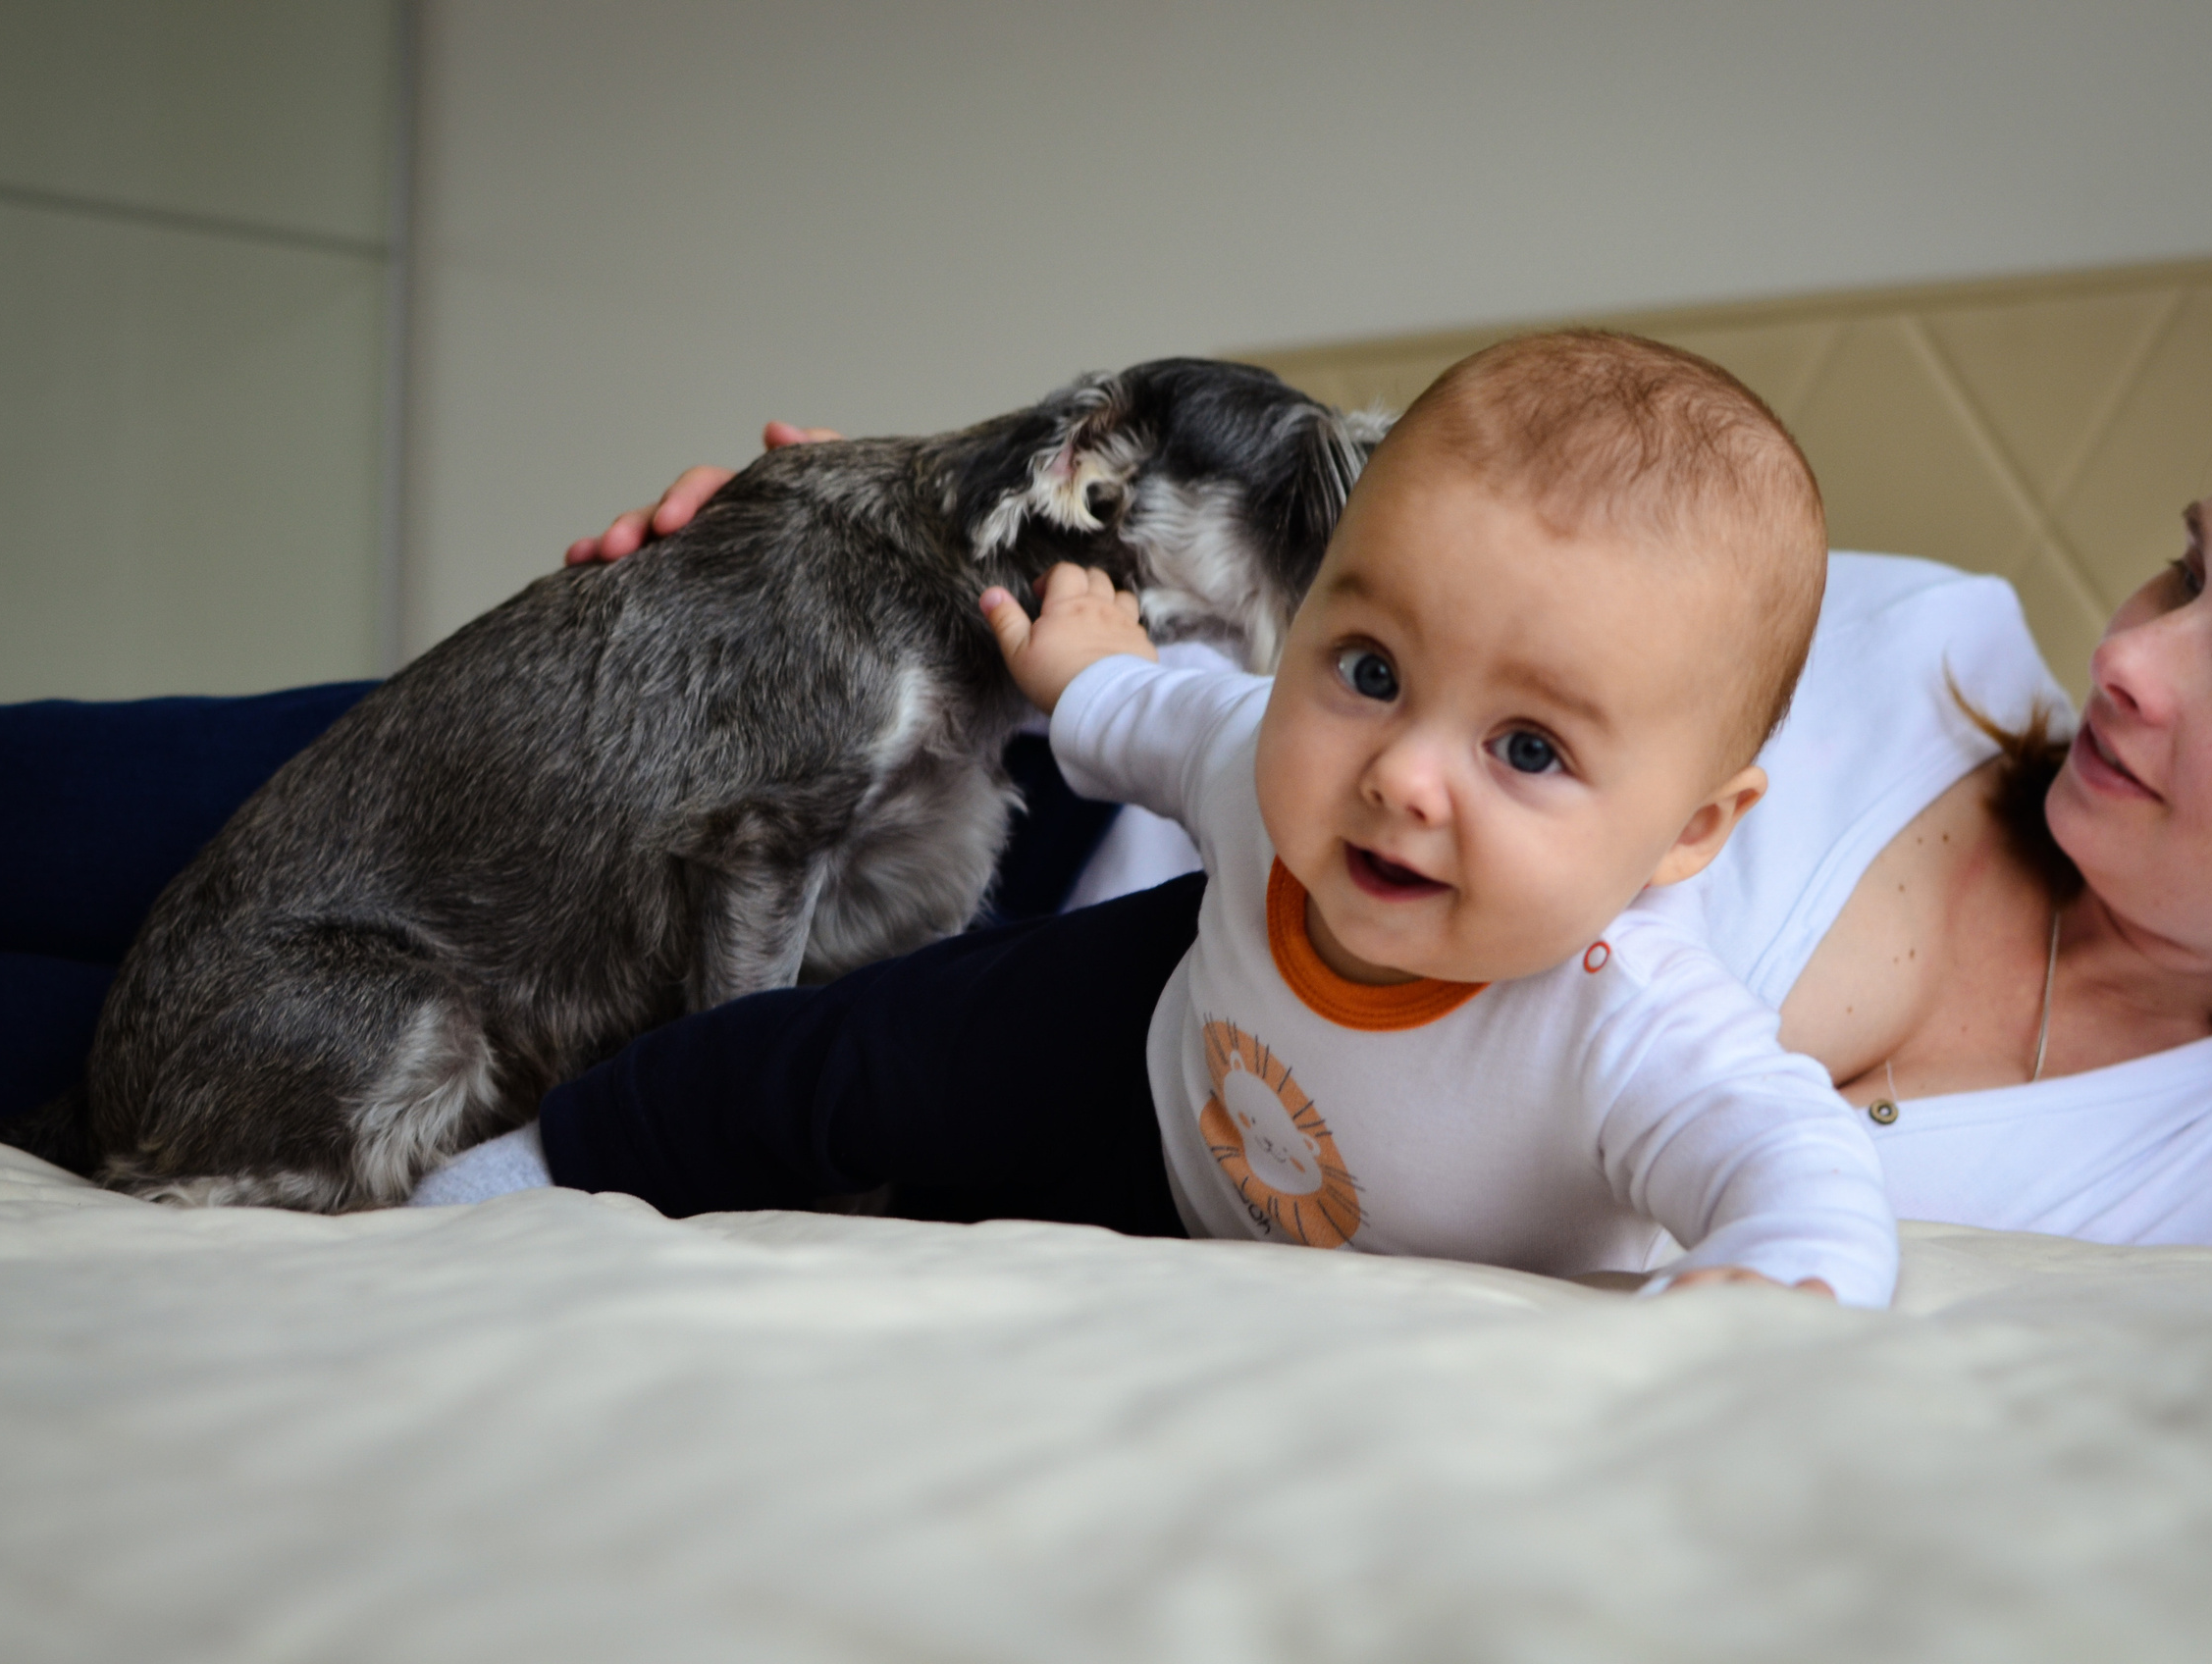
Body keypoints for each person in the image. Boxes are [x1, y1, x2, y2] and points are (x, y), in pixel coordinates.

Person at [488, 356, 2212, 1261]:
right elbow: (1387, 566)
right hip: (1048, 827)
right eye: (2186, 570)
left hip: (1166, 1167)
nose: (2135, 658)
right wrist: (896, 523)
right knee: (320, 835)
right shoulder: (1902, 636)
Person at [448, 332, 1906, 1303]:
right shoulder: (1274, 769)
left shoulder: (1630, 1026)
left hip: (1209, 1209)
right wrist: (1085, 667)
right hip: (1151, 1038)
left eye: (1526, 748)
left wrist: (1780, 1290)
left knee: (950, 1217)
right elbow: (1165, 720)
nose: (1402, 776)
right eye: (1371, 670)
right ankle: (548, 1159)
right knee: (854, 1052)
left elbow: (1793, 1163)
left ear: (1689, 834)